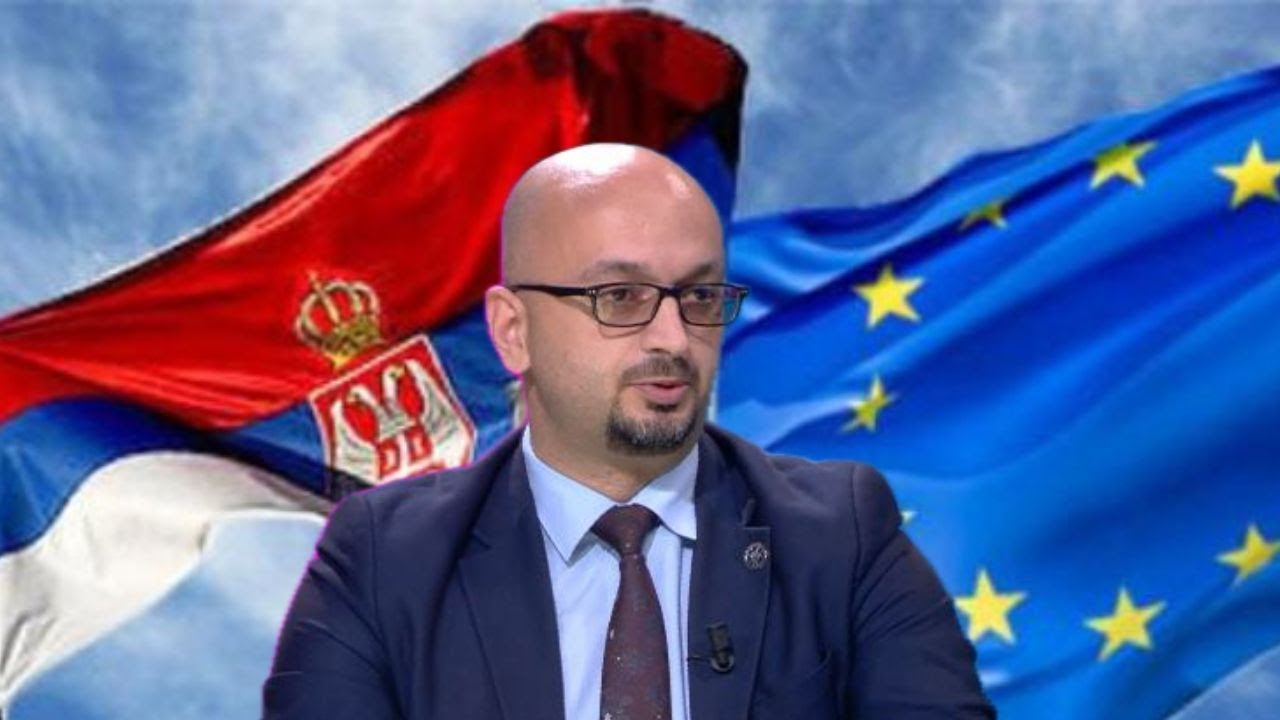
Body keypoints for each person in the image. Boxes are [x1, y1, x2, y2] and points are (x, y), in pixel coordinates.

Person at [263, 143, 994, 719]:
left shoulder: (841, 531)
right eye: (620, 297)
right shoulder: (383, 556)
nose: (673, 337)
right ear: (513, 332)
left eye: (700, 297)